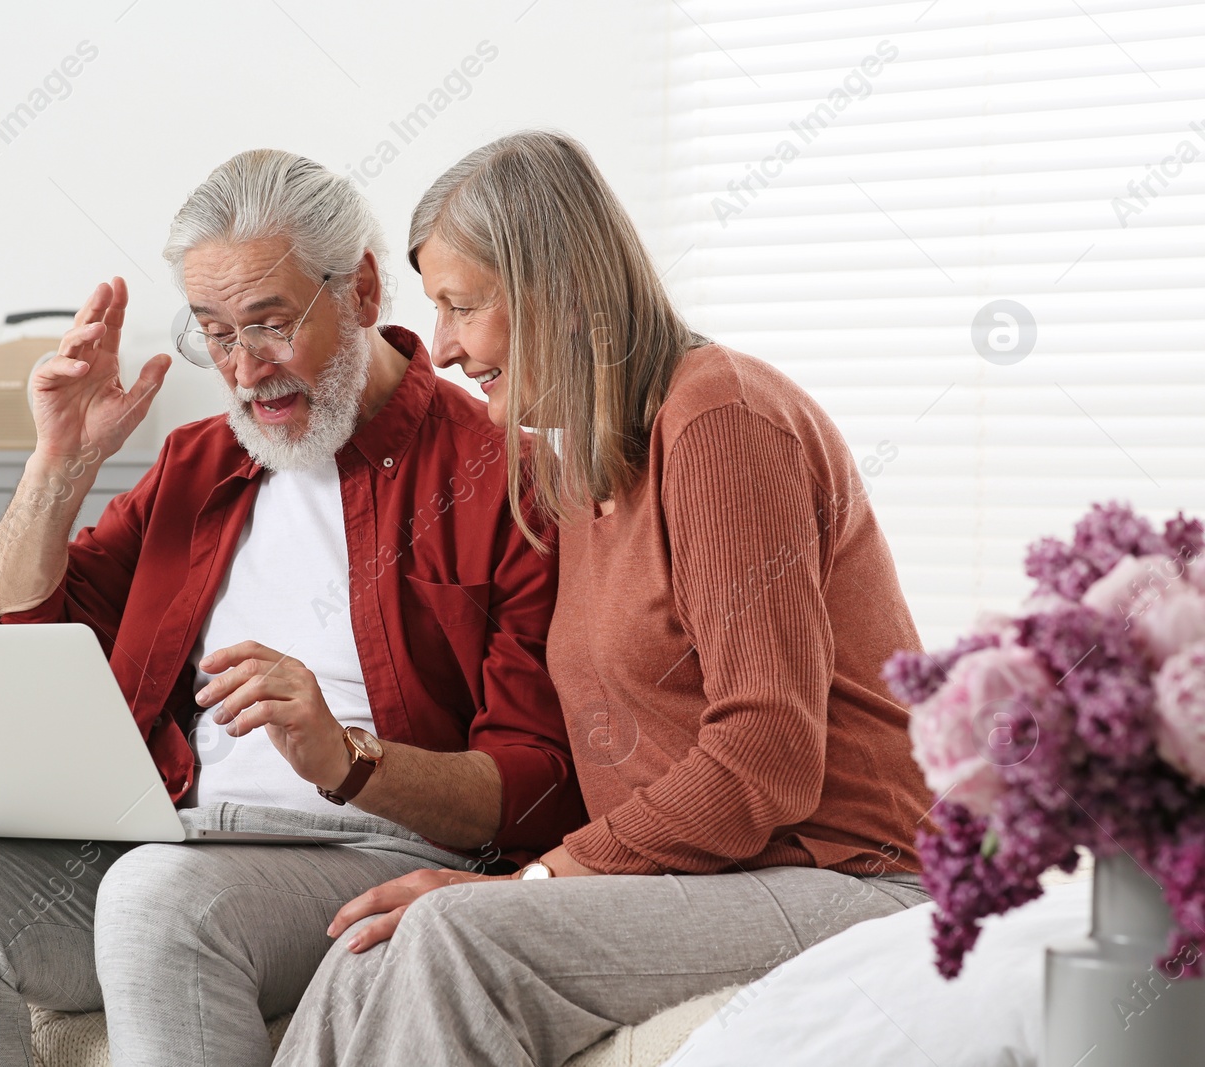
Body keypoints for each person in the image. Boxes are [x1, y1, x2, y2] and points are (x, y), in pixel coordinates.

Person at [0, 148, 585, 1067]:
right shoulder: (197, 465)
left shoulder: (506, 479)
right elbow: (22, 631)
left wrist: (348, 757)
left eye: (270, 324)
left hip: (369, 852)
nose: (245, 369)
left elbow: (538, 780)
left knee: (159, 895)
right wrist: (60, 467)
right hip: (173, 837)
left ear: (361, 290)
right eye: (216, 333)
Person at [275, 130, 935, 1067]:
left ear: (556, 292)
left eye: (463, 306)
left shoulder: (718, 416)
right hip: (706, 877)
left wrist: (540, 880)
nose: (448, 346)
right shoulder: (581, 466)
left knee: (457, 934)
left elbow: (768, 753)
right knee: (364, 951)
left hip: (850, 873)